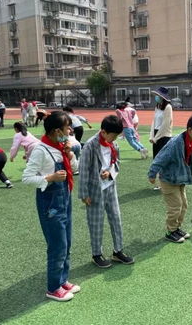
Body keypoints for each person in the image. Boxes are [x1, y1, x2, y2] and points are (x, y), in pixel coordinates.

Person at [22, 111, 80, 302]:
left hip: (65, 198)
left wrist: (69, 153)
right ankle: (53, 287)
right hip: (51, 203)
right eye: (67, 127)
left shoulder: (61, 146)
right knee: (57, 245)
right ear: (57, 130)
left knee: (67, 242)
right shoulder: (41, 150)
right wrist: (50, 178)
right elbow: (27, 178)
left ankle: (63, 280)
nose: (70, 130)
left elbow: (75, 168)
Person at [79, 115, 134, 268]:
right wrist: (84, 194)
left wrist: (110, 173)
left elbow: (116, 163)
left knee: (116, 218)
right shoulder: (90, 146)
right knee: (96, 223)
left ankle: (118, 251)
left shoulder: (113, 145)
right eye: (113, 135)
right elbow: (83, 170)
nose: (115, 138)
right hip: (94, 190)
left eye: (117, 136)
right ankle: (96, 254)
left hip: (110, 187)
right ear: (103, 132)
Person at [148, 114, 192, 243]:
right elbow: (160, 158)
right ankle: (170, 231)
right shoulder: (175, 143)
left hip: (180, 179)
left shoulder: (190, 141)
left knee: (184, 205)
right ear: (190, 130)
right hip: (168, 179)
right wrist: (152, 174)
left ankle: (176, 228)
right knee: (175, 206)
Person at [149, 87, 173, 190]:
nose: (156, 97)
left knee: (164, 160)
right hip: (156, 135)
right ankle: (161, 183)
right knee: (157, 160)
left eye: (158, 96)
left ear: (162, 97)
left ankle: (166, 182)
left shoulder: (168, 107)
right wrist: (152, 136)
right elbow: (154, 122)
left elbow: (165, 124)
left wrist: (156, 137)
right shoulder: (157, 106)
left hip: (164, 136)